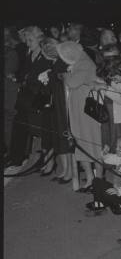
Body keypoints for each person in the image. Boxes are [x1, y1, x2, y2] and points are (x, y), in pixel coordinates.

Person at [56, 41, 103, 192]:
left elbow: (72, 82)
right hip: (79, 111)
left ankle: (98, 179)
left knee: (93, 144)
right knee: (81, 143)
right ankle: (90, 178)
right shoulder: (80, 61)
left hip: (88, 113)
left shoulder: (84, 63)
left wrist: (66, 74)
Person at [7, 26, 52, 168]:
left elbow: (45, 77)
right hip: (26, 97)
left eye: (30, 40)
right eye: (26, 40)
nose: (27, 43)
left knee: (37, 129)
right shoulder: (29, 53)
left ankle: (44, 160)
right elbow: (25, 73)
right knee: (19, 125)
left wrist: (28, 78)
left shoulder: (46, 55)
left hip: (37, 98)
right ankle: (15, 156)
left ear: (40, 39)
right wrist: (18, 77)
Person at [39, 38, 74, 183]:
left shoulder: (61, 62)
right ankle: (65, 169)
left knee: (64, 135)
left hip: (62, 103)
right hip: (57, 103)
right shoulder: (55, 63)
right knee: (59, 135)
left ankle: (69, 171)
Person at [86, 136, 121, 215]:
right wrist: (104, 153)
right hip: (118, 190)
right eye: (116, 146)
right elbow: (108, 158)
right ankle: (99, 205)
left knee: (106, 193)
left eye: (120, 147)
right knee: (96, 181)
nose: (116, 149)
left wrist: (119, 191)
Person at [95, 55, 121, 154]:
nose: (113, 80)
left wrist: (104, 87)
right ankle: (117, 168)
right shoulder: (114, 77)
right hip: (111, 118)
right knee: (114, 148)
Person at [3, 27, 20, 156]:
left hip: (8, 94)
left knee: (7, 122)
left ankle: (7, 152)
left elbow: (9, 73)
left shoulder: (11, 53)